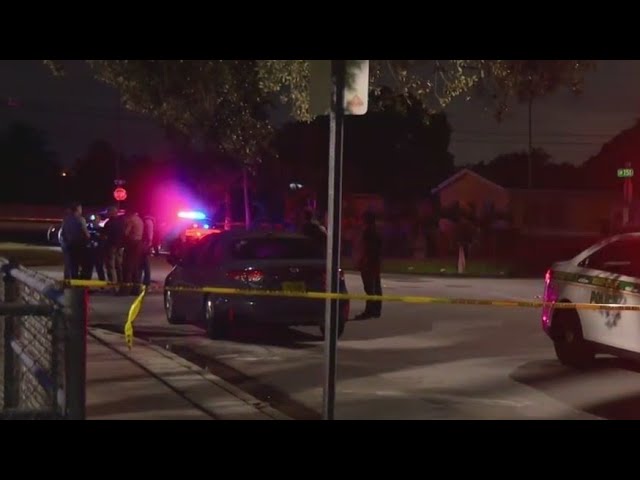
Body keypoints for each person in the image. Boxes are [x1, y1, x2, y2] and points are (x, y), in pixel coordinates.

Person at [354, 211, 382, 320]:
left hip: (369, 263)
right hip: (375, 263)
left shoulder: (368, 232)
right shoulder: (376, 231)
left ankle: (369, 311)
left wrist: (362, 260)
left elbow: (367, 248)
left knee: (370, 288)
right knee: (376, 287)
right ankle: (376, 310)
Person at [60, 203, 90, 280]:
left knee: (69, 264)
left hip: (69, 245)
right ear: (77, 209)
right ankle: (77, 282)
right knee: (80, 264)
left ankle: (68, 281)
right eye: (81, 208)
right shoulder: (80, 219)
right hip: (78, 245)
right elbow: (86, 234)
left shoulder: (66, 219)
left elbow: (63, 232)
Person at [122, 209, 144, 294]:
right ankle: (136, 289)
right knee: (135, 267)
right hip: (138, 243)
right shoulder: (139, 220)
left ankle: (126, 289)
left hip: (131, 244)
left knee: (128, 267)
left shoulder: (131, 220)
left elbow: (126, 232)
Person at [103, 207, 125, 284]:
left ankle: (113, 283)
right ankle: (121, 282)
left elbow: (104, 236)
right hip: (120, 246)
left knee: (110, 266)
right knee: (119, 265)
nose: (107, 214)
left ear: (111, 213)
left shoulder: (109, 223)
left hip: (111, 246)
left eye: (108, 212)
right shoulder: (121, 222)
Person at [140, 213, 155, 287]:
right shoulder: (148, 221)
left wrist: (148, 245)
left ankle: (146, 280)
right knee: (144, 262)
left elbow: (149, 235)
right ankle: (146, 279)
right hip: (146, 244)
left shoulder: (148, 221)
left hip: (145, 245)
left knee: (145, 262)